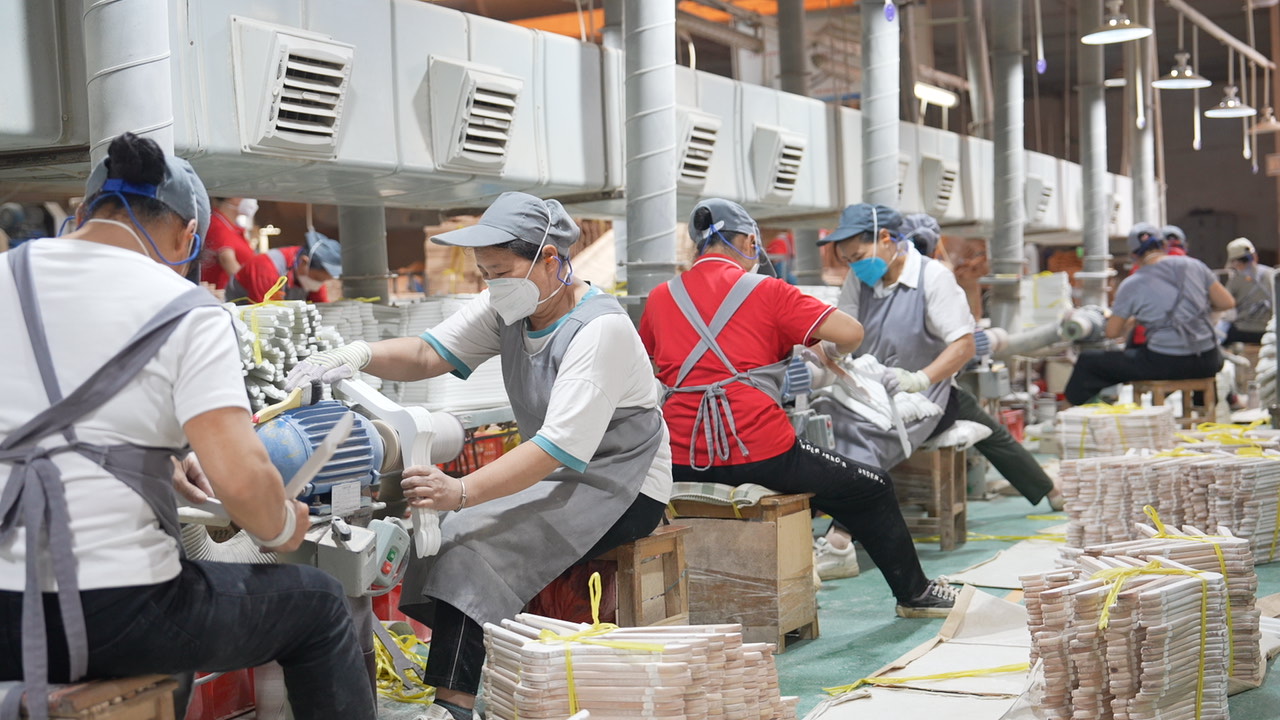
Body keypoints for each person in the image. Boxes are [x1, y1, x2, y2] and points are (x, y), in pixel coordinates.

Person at [0, 133, 373, 720]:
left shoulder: (6, 274)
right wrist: (280, 526)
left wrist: (159, 459)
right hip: (116, 611)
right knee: (320, 606)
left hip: (3, 611)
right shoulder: (187, 310)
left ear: (81, 212)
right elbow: (245, 482)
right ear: (185, 235)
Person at [285, 191, 672, 720]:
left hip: (621, 484)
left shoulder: (599, 329)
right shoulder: (512, 308)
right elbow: (427, 354)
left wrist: (462, 492)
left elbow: (555, 447)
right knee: (448, 531)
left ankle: (453, 705)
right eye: (486, 273)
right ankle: (465, 678)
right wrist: (357, 356)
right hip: (557, 472)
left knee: (472, 542)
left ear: (552, 260)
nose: (494, 285)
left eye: (502, 271)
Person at [639, 198, 955, 619]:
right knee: (870, 486)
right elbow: (852, 332)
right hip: (759, 451)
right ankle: (915, 595)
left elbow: (653, 368)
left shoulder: (661, 297)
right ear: (750, 240)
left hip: (683, 456)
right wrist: (830, 351)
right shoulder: (767, 290)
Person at [899, 213, 1060, 510]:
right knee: (995, 435)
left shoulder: (881, 284)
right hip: (923, 391)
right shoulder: (936, 277)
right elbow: (962, 341)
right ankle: (1051, 492)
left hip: (894, 387)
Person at [810, 203, 976, 471]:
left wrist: (918, 379)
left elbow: (964, 345)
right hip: (866, 388)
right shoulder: (858, 280)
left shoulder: (932, 277)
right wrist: (820, 353)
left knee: (858, 436)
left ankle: (859, 500)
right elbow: (843, 332)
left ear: (885, 237)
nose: (855, 265)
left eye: (859, 255)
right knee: (816, 421)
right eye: (849, 260)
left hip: (921, 397)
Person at [1064, 223, 1234, 406]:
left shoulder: (1133, 284)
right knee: (1199, 357)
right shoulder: (1196, 266)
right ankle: (1202, 407)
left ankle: (1072, 417)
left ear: (1134, 255)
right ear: (1163, 245)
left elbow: (1112, 332)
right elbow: (1227, 303)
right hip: (1208, 360)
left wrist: (1136, 320)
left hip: (1166, 363)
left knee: (1089, 362)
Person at [224, 229, 342, 303]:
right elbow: (266, 317)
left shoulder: (313, 274)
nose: (319, 284)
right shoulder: (267, 268)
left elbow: (319, 305)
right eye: (318, 279)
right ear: (304, 262)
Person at [1223, 237, 1274, 346]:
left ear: (1234, 262)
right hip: (1269, 332)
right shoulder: (1272, 274)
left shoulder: (1236, 279)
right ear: (1254, 256)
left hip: (1243, 331)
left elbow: (1225, 305)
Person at [198, 197, 256, 290]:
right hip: (219, 297)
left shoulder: (230, 226)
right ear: (231, 197)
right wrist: (253, 288)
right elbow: (227, 260)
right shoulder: (217, 226)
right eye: (244, 194)